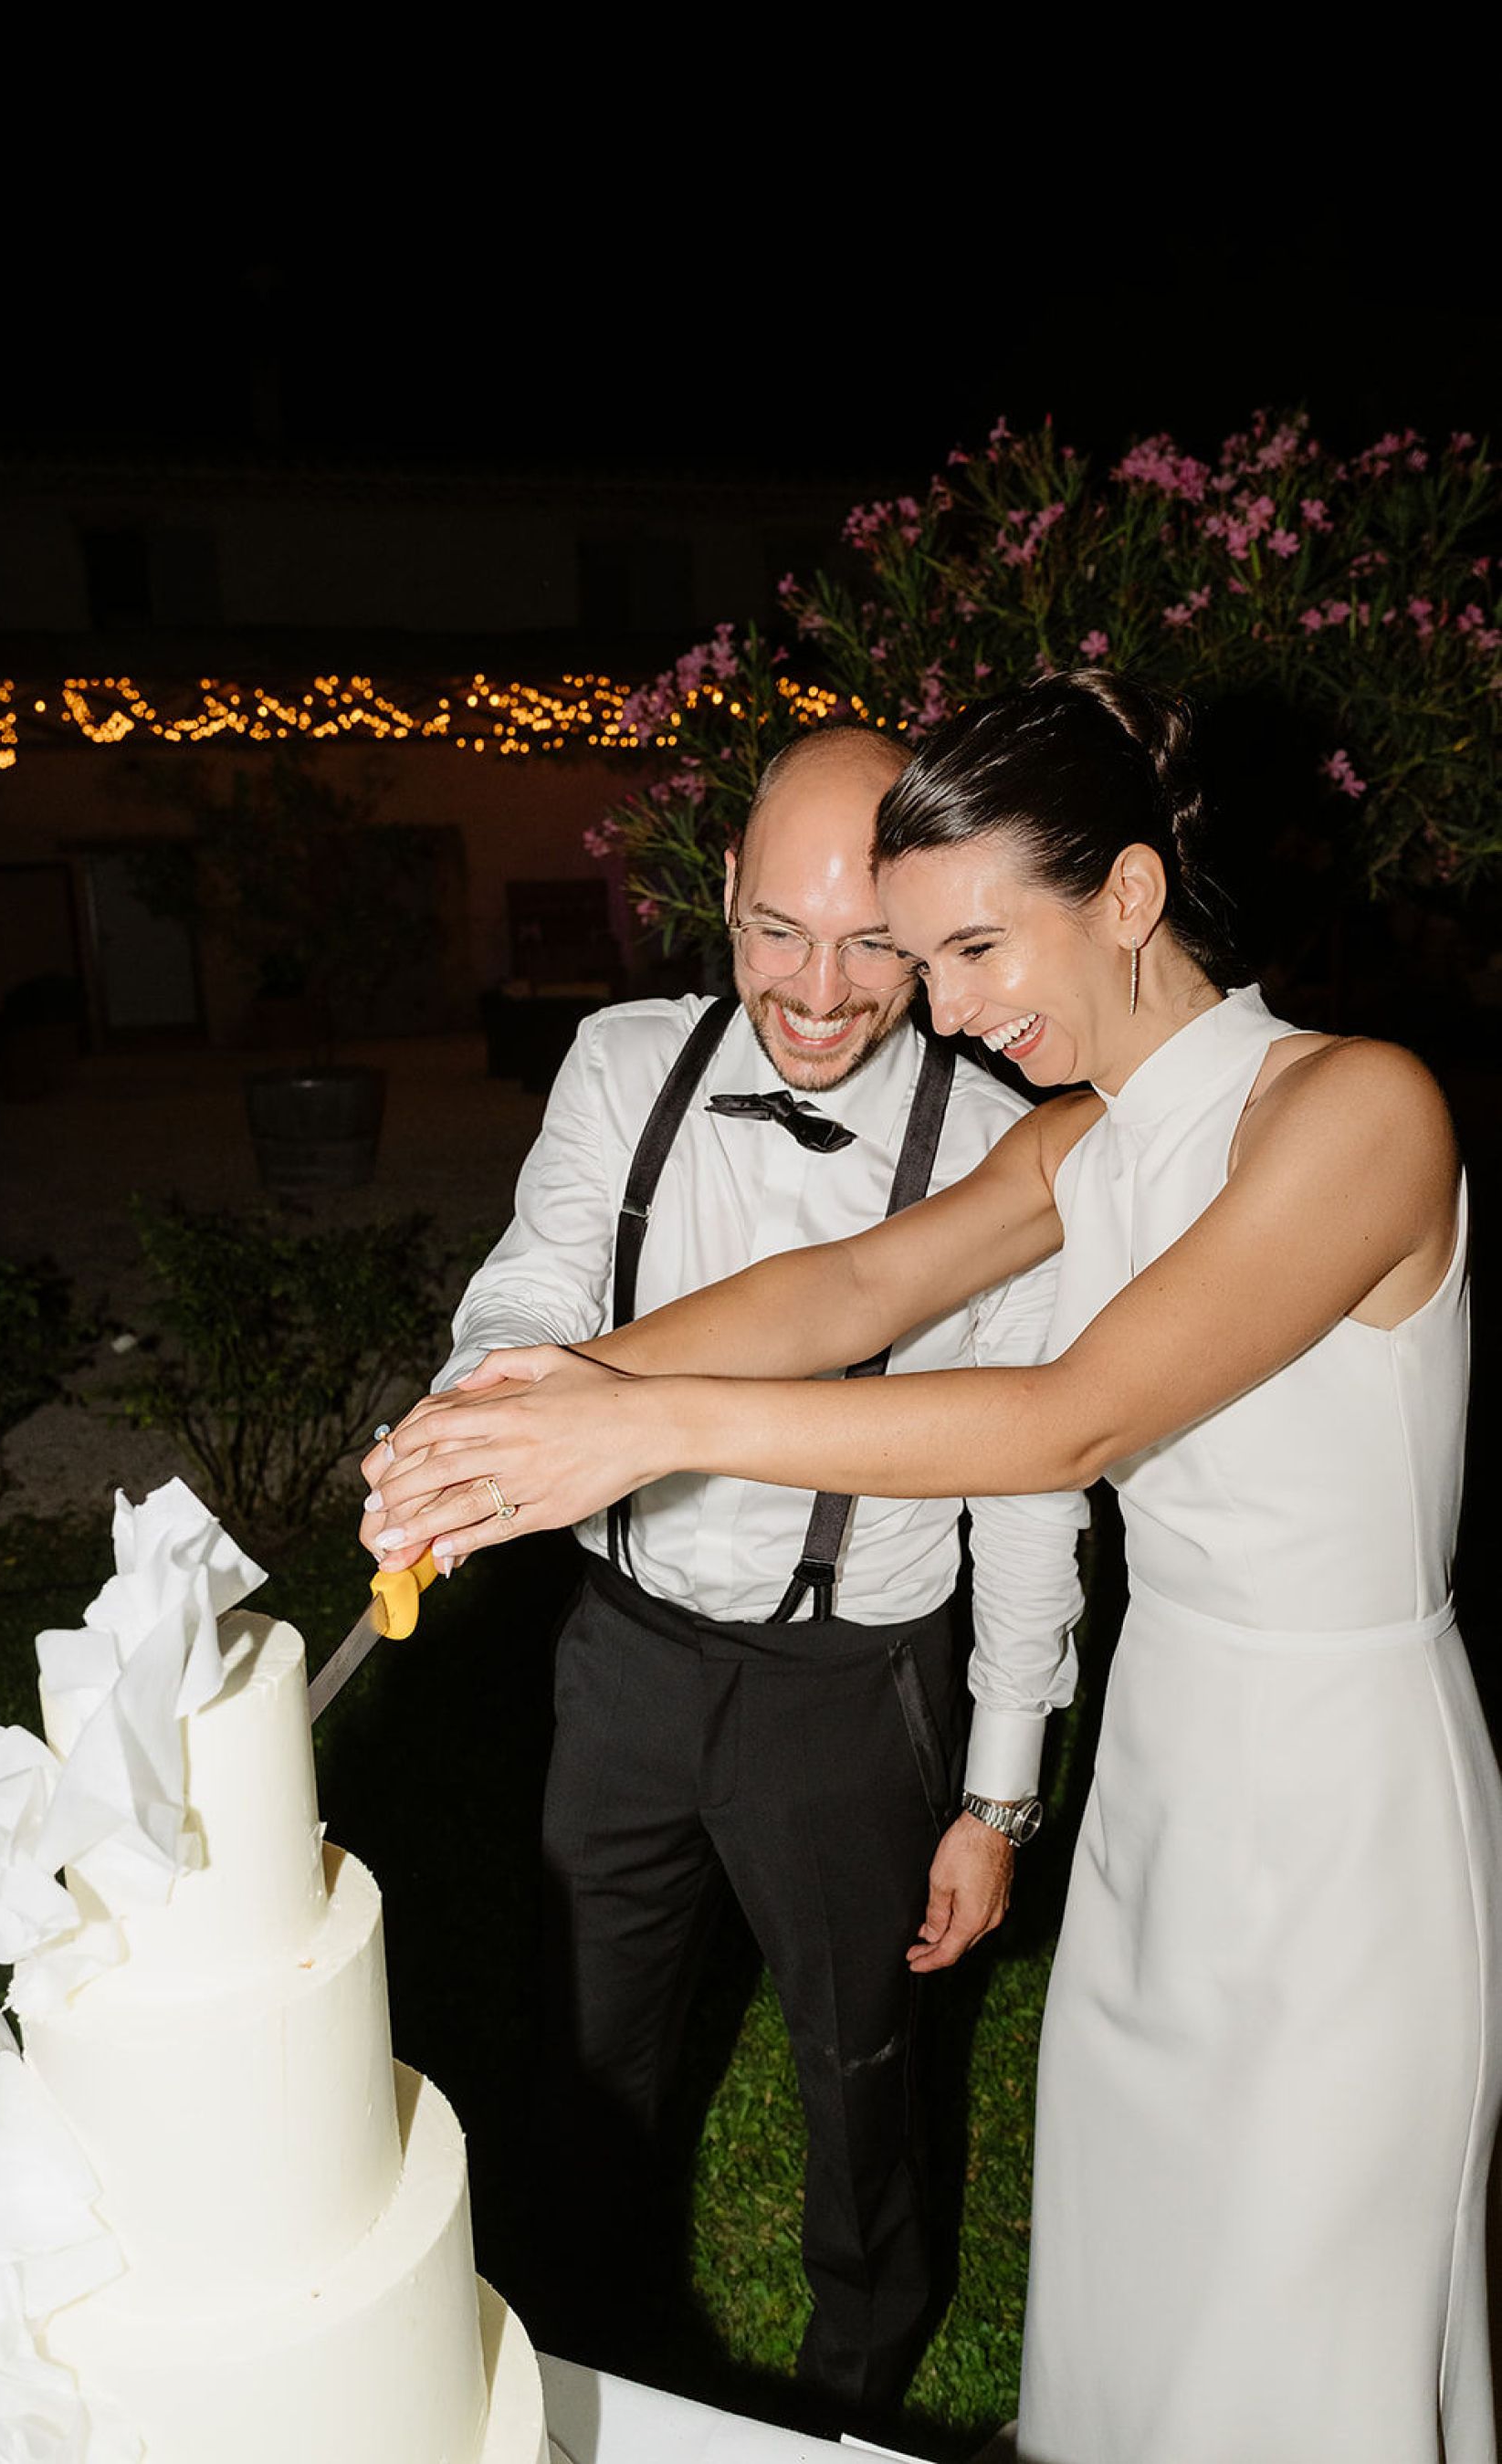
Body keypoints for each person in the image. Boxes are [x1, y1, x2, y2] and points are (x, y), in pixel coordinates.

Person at [364, 669, 1502, 2464]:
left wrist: (654, 1429)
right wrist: (545, 1392)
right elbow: (854, 1290)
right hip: (1170, 1764)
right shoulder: (1082, 1142)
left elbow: (1061, 1421)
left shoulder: (1357, 1114)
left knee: (1307, 2277)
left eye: (975, 950)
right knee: (1150, 2260)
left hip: (1342, 1790)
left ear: (1126, 896)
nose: (944, 1011)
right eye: (928, 960)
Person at [372, 725, 1087, 2421]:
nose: (822, 991)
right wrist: (484, 1408)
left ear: (927, 931)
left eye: (871, 943)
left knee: (863, 2068)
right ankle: (583, 2347)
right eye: (780, 931)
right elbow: (536, 1277)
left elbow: (1033, 1500)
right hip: (620, 1659)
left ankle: (858, 2385)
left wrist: (995, 1797)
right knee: (587, 2042)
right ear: (722, 902)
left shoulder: (1016, 1150)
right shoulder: (622, 1062)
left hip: (858, 1685)